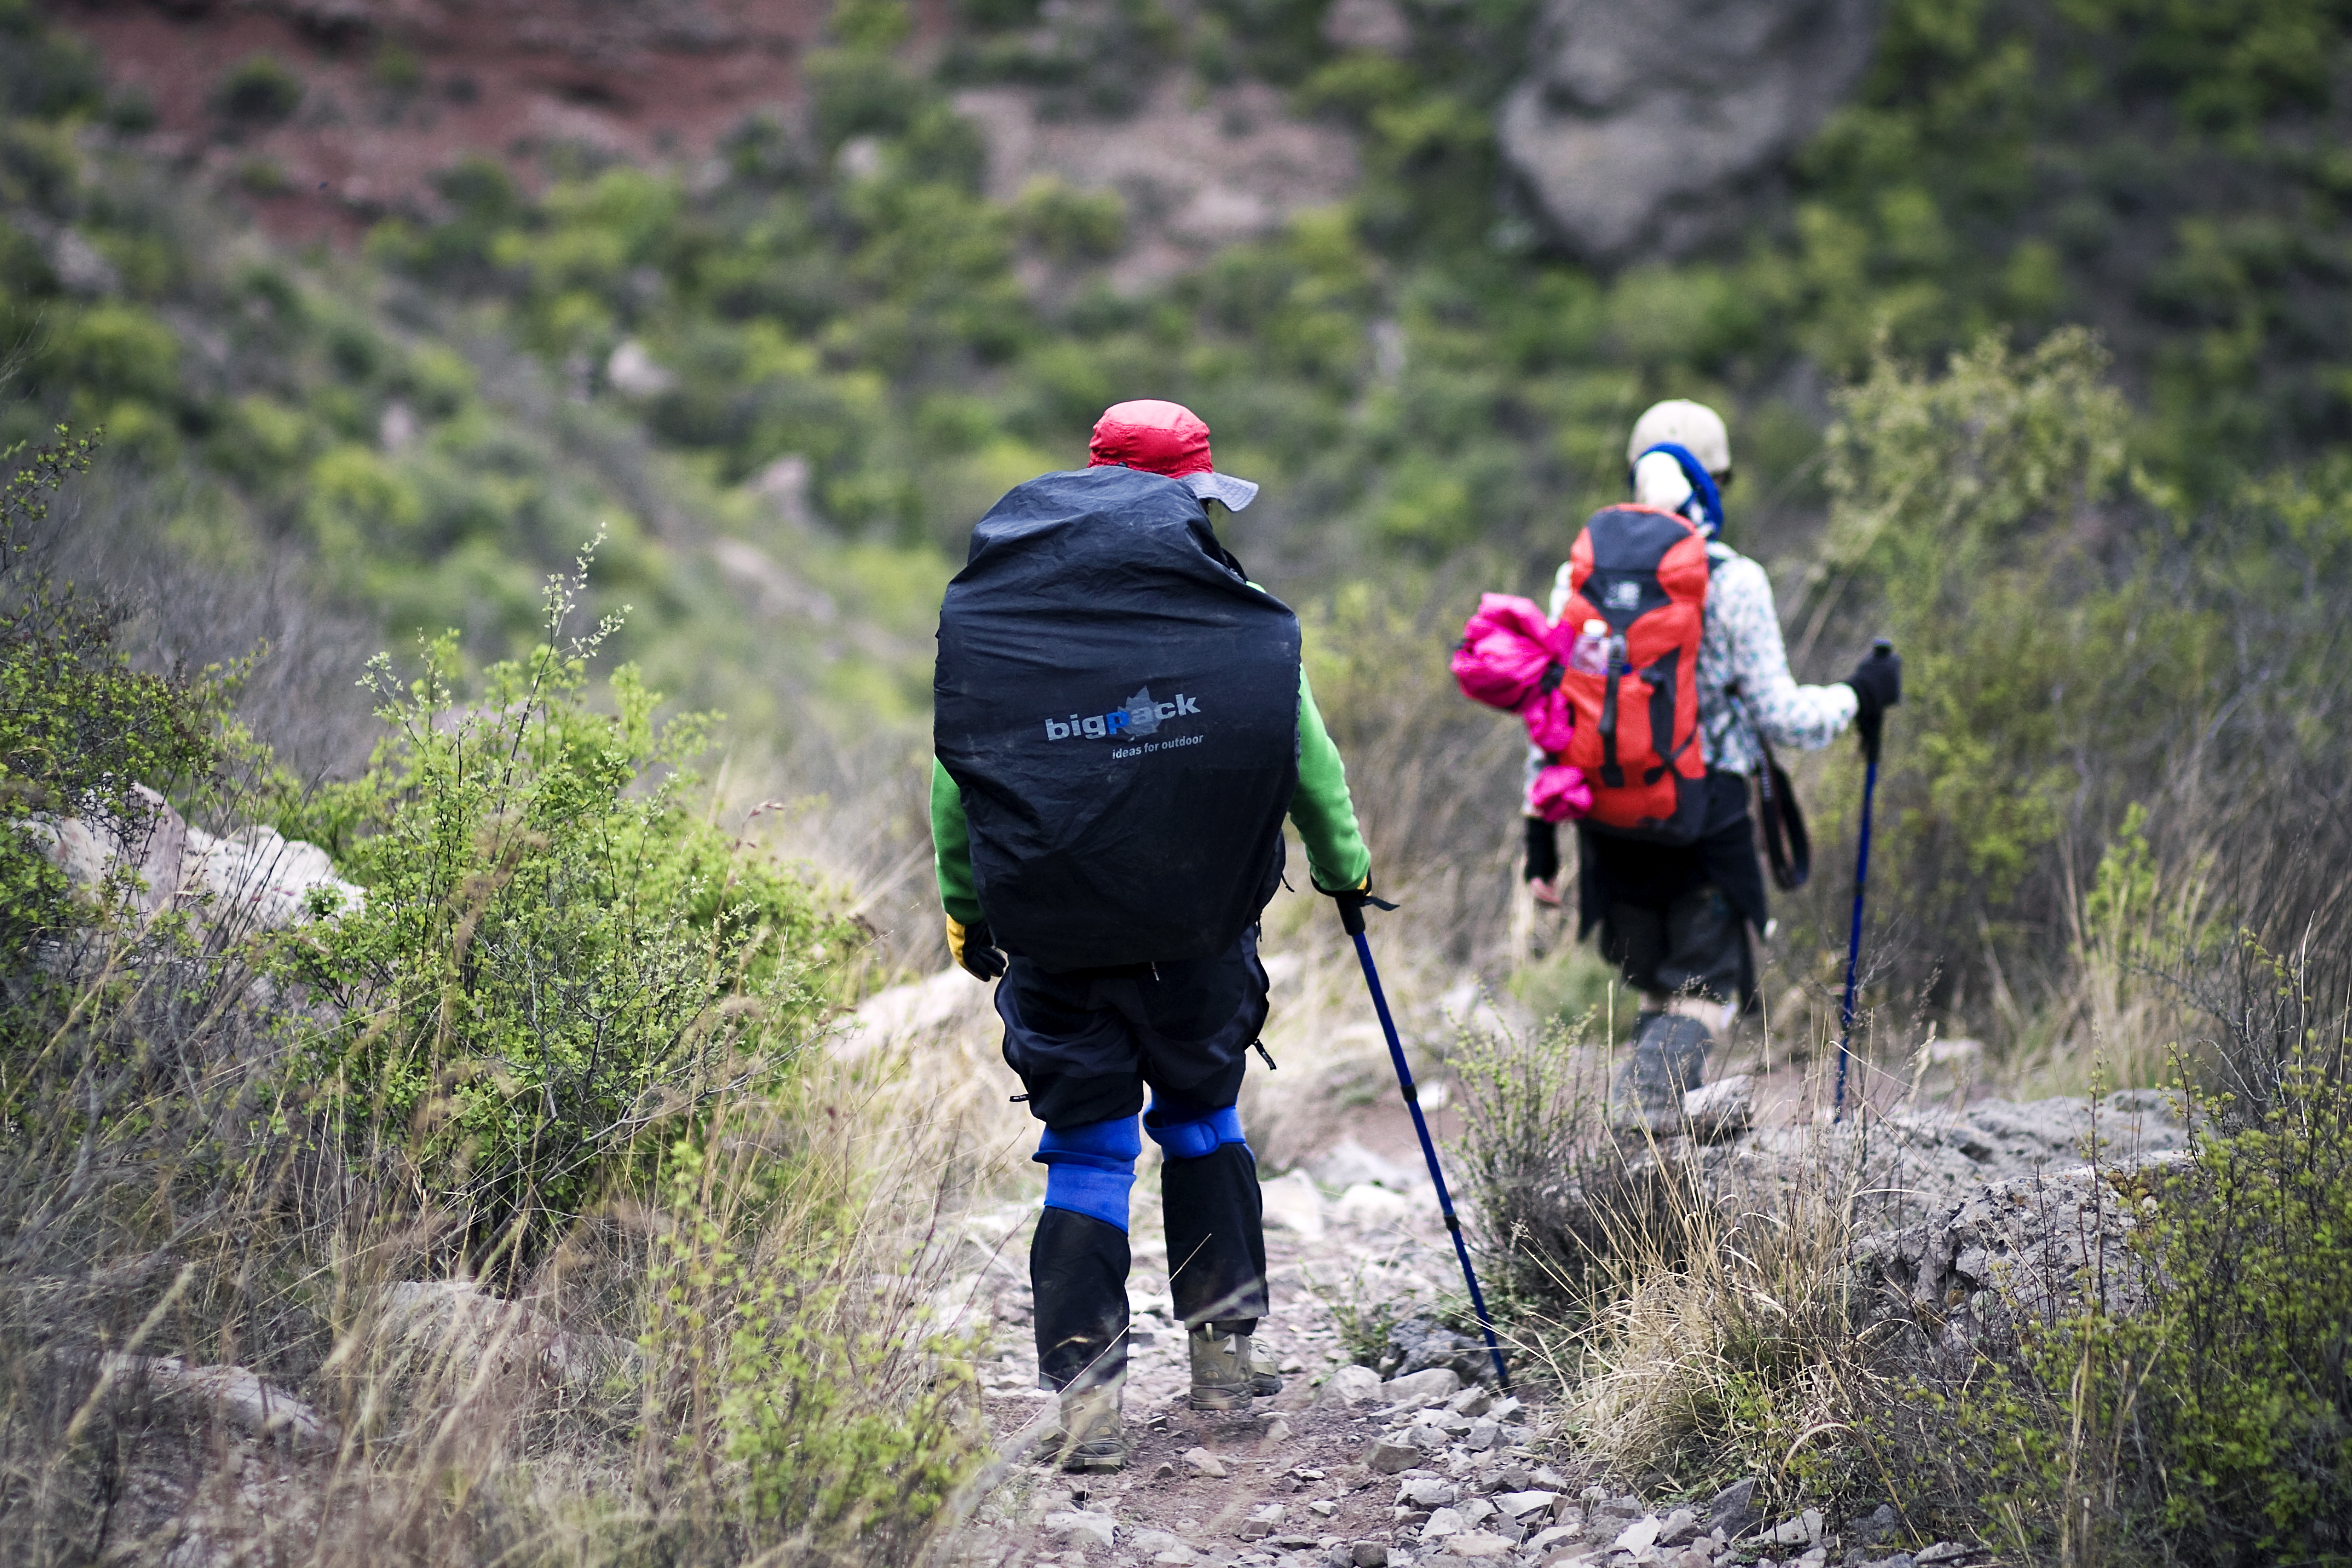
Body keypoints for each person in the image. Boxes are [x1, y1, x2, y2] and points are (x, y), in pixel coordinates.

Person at [930, 399, 1373, 1471]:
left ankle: (1089, 1412)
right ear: (1189, 496)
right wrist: (1346, 872)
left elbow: (958, 781)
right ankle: (1221, 1365)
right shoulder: (1235, 619)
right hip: (1198, 938)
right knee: (1203, 1121)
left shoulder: (1008, 619)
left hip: (1056, 946)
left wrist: (967, 912)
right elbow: (1305, 760)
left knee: (1086, 1153)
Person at [1522, 399, 1900, 1115]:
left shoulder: (1578, 579)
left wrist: (1538, 838)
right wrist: (1859, 694)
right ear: (1713, 480)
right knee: (1706, 991)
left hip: (1606, 822)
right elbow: (1785, 718)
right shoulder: (1734, 580)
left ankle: (1654, 1161)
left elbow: (1552, 714)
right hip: (1707, 825)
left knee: (1659, 987)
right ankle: (1644, 1110)